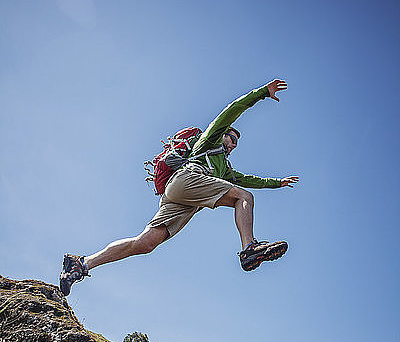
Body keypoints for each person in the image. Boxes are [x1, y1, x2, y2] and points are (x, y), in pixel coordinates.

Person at [60, 79, 299, 296]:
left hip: (181, 199)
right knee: (243, 197)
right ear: (224, 134)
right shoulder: (210, 139)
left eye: (237, 143)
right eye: (232, 138)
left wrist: (279, 183)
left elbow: (248, 179)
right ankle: (249, 248)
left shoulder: (225, 169)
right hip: (187, 180)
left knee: (145, 243)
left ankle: (82, 263)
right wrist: (262, 93)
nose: (234, 145)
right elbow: (232, 110)